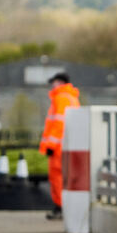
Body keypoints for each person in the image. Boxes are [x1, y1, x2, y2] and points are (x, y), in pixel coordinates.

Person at [39, 72, 80, 220]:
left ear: (60, 82)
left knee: (57, 177)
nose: (52, 85)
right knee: (65, 177)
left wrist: (50, 145)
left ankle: (60, 207)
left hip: (59, 147)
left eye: (54, 82)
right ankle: (64, 207)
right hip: (68, 145)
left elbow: (58, 124)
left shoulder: (61, 98)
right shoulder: (71, 98)